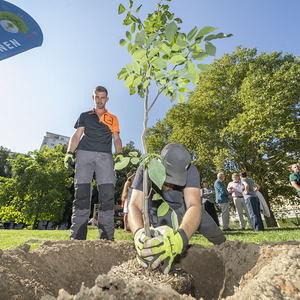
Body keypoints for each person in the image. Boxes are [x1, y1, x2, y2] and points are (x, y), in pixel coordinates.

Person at [128, 143, 226, 274]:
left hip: (183, 207)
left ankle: (230, 253)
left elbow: (194, 205)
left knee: (215, 233)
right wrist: (138, 233)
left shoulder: (191, 170)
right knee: (161, 248)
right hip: (159, 210)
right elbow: (134, 205)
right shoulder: (146, 168)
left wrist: (181, 239)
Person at [64, 85, 122, 240]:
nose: (100, 100)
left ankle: (107, 238)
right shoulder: (85, 115)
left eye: (103, 97)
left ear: (107, 99)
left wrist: (120, 154)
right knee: (82, 193)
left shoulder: (113, 118)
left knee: (108, 194)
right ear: (93, 98)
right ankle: (77, 237)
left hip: (105, 157)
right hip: (84, 154)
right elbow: (76, 135)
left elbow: (116, 138)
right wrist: (70, 153)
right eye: (97, 97)